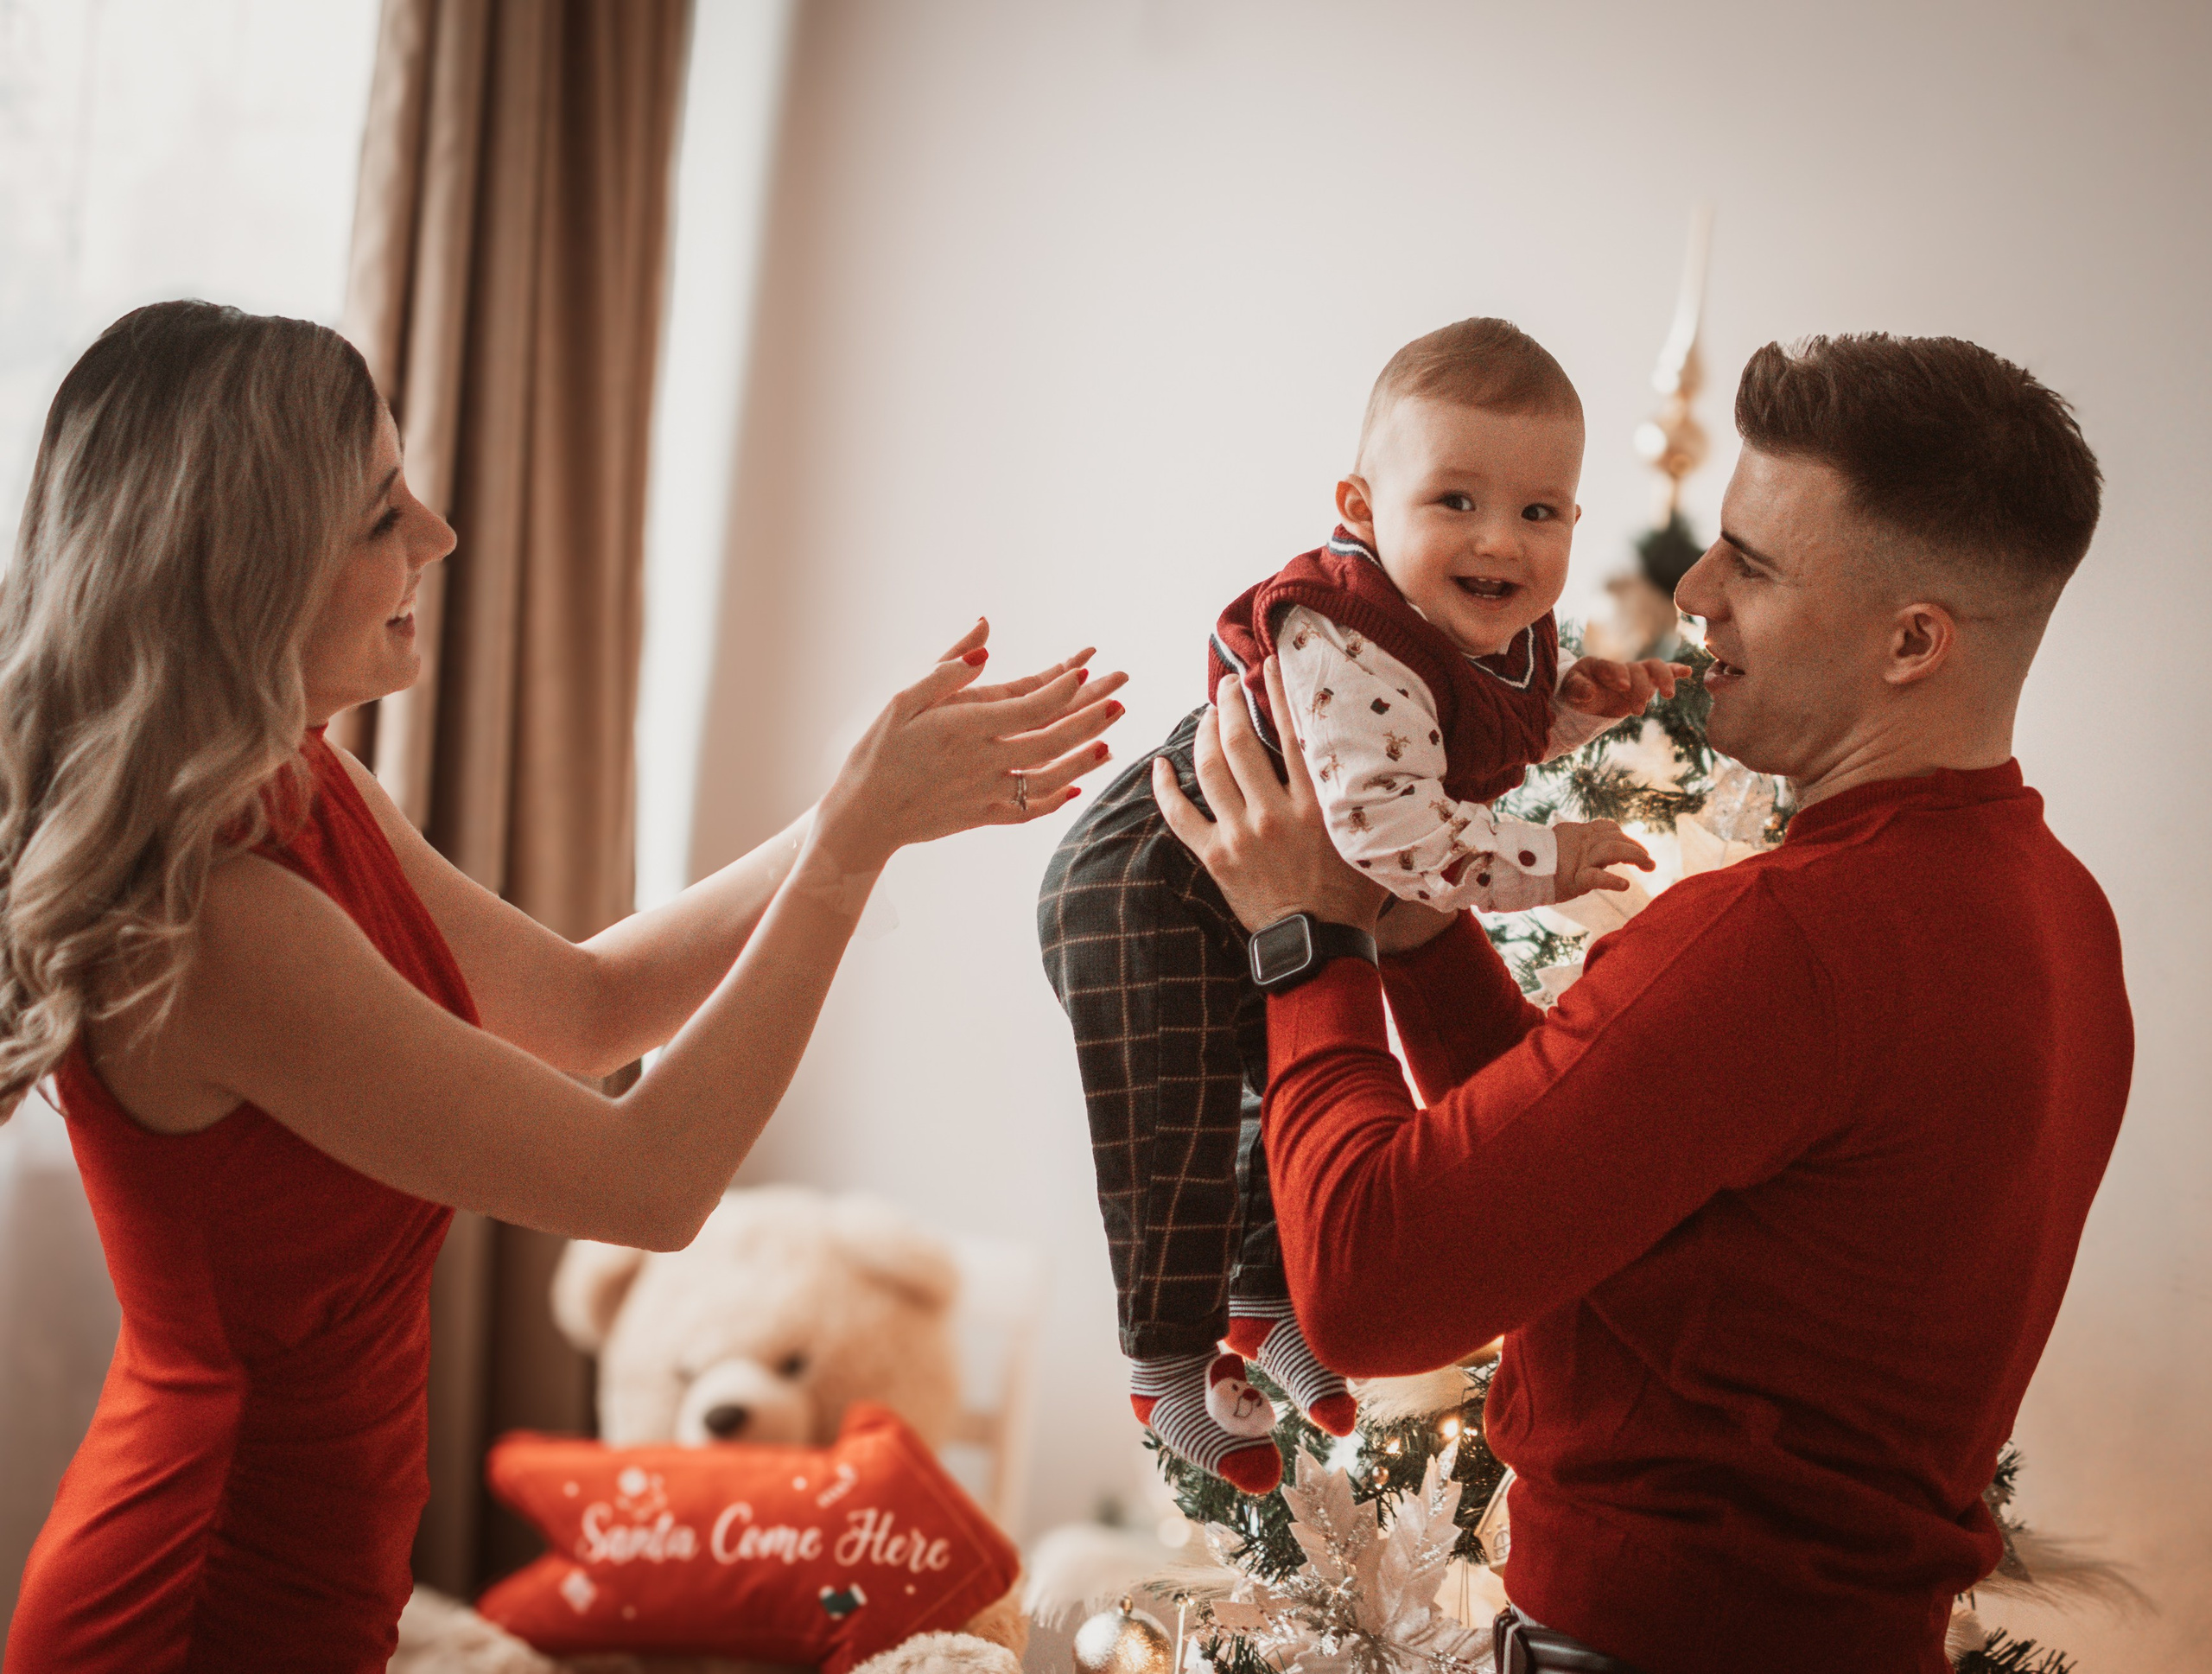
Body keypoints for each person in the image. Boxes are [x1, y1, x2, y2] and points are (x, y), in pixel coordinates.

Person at [0, 301, 1125, 1672]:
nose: (439, 535)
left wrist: (855, 810)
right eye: (379, 516)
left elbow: (591, 1008)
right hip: (201, 1597)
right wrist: (846, 851)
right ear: (249, 571)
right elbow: (649, 1179)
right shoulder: (222, 923)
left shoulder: (300, 779)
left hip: (314, 1570)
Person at [1153, 334, 2128, 1674]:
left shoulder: (1792, 937)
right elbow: (1589, 1171)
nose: (1694, 591)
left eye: (1756, 564)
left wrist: (1303, 935)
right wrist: (1418, 919)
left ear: (1914, 642)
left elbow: (1373, 1286)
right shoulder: (2062, 915)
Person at [1038, 318, 1682, 1492]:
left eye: (1540, 513)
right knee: (1175, 1126)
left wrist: (1574, 713)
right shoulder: (1345, 633)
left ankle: (1264, 1303)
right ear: (1360, 504)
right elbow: (1389, 827)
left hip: (1250, 883)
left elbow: (1451, 755)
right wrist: (1560, 851)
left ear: (1574, 524)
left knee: (1276, 1099)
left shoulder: (1483, 633)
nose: (1501, 539)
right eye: (1456, 500)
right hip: (1143, 876)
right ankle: (1165, 1361)